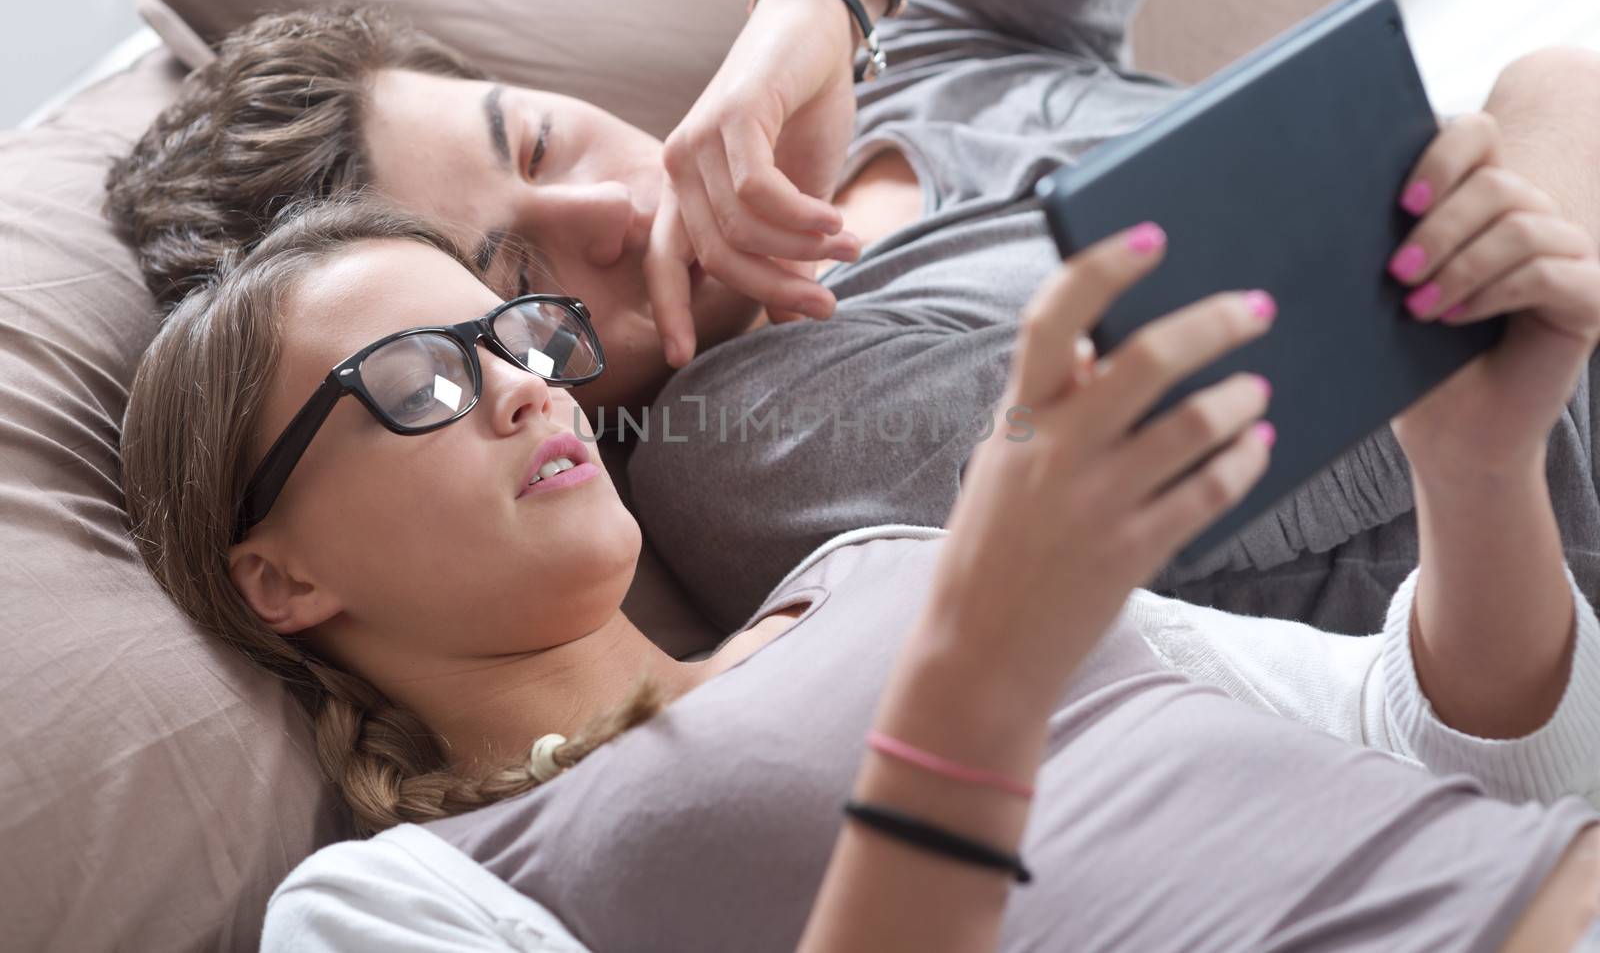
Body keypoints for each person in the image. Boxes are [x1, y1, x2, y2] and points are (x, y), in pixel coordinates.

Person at [120, 178, 1600, 951]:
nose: (523, 385)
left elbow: (1470, 757)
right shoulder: (387, 906)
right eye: (415, 384)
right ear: (277, 579)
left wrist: (1473, 474)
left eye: (514, 337)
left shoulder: (886, 566)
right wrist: (972, 694)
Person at [104, 0, 1600, 636]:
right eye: (514, 277)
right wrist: (1544, 121)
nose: (616, 217)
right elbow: (1384, 399)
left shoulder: (928, 63)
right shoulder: (735, 444)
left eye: (547, 144)